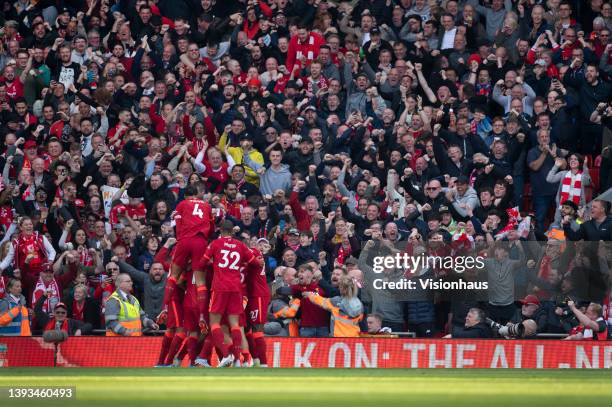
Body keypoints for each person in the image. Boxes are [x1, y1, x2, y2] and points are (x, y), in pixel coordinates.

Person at [200, 220, 260, 367]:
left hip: (220, 288)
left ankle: (226, 354)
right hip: (236, 288)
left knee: (214, 323)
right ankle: (237, 358)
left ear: (220, 230)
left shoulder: (215, 244)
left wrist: (212, 262)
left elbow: (201, 263)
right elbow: (255, 262)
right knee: (235, 325)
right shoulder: (240, 245)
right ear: (233, 231)